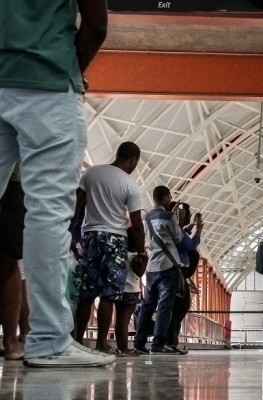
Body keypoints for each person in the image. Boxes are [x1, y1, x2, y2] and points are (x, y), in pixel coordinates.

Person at [0, 0, 113, 367]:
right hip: (47, 82)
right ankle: (48, 339)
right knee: (46, 216)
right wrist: (69, 70)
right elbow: (95, 24)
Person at [71, 142, 146, 355]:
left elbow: (77, 205)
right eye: (135, 163)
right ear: (133, 159)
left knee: (86, 293)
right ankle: (101, 343)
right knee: (109, 294)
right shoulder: (130, 185)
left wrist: (70, 232)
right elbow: (137, 224)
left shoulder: (91, 173)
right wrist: (141, 251)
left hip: (90, 237)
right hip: (115, 240)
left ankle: (77, 341)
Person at [133, 186, 182, 355]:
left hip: (151, 267)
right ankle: (158, 345)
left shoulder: (145, 217)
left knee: (147, 306)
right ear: (165, 198)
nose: (170, 200)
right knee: (164, 306)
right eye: (169, 197)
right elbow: (178, 238)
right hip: (168, 265)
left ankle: (139, 343)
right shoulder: (170, 216)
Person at [165, 201, 203, 354]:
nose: (186, 217)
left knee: (176, 307)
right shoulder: (174, 229)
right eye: (186, 214)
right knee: (179, 307)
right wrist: (198, 230)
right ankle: (169, 341)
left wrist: (191, 225)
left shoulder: (171, 227)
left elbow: (181, 232)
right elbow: (189, 245)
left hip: (175, 271)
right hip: (175, 272)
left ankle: (170, 340)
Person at [0, 168, 25, 360]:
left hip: (10, 181)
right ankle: (10, 341)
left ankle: (10, 341)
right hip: (10, 182)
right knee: (8, 260)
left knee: (8, 259)